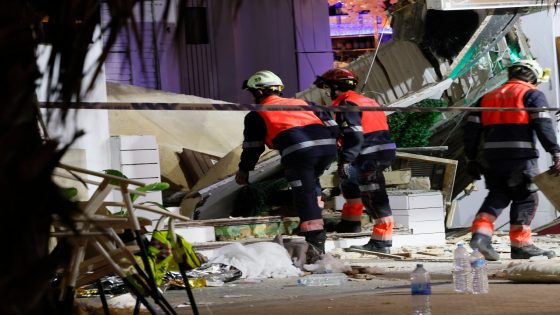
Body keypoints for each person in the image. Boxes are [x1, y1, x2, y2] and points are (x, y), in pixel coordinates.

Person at [464, 59, 560, 261]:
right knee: (526, 198)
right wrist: (555, 151)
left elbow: (471, 130)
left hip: (492, 160)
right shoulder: (531, 94)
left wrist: (471, 158)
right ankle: (521, 245)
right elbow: (543, 125)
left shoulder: (487, 97)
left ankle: (480, 236)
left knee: (498, 196)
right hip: (520, 159)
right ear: (533, 76)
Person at [235, 70, 338, 254]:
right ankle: (312, 221)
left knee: (304, 194)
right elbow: (334, 127)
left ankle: (315, 240)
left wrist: (244, 170)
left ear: (258, 92)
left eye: (252, 93)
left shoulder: (257, 114)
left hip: (300, 153)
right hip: (328, 149)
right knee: (311, 183)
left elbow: (253, 148)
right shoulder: (305, 103)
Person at [314, 68, 396, 254]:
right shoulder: (365, 100)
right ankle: (350, 224)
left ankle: (382, 242)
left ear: (336, 87)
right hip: (377, 151)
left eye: (327, 87)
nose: (326, 92)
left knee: (373, 196)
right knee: (348, 182)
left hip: (368, 154)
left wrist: (345, 160)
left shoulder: (347, 104)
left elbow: (355, 137)